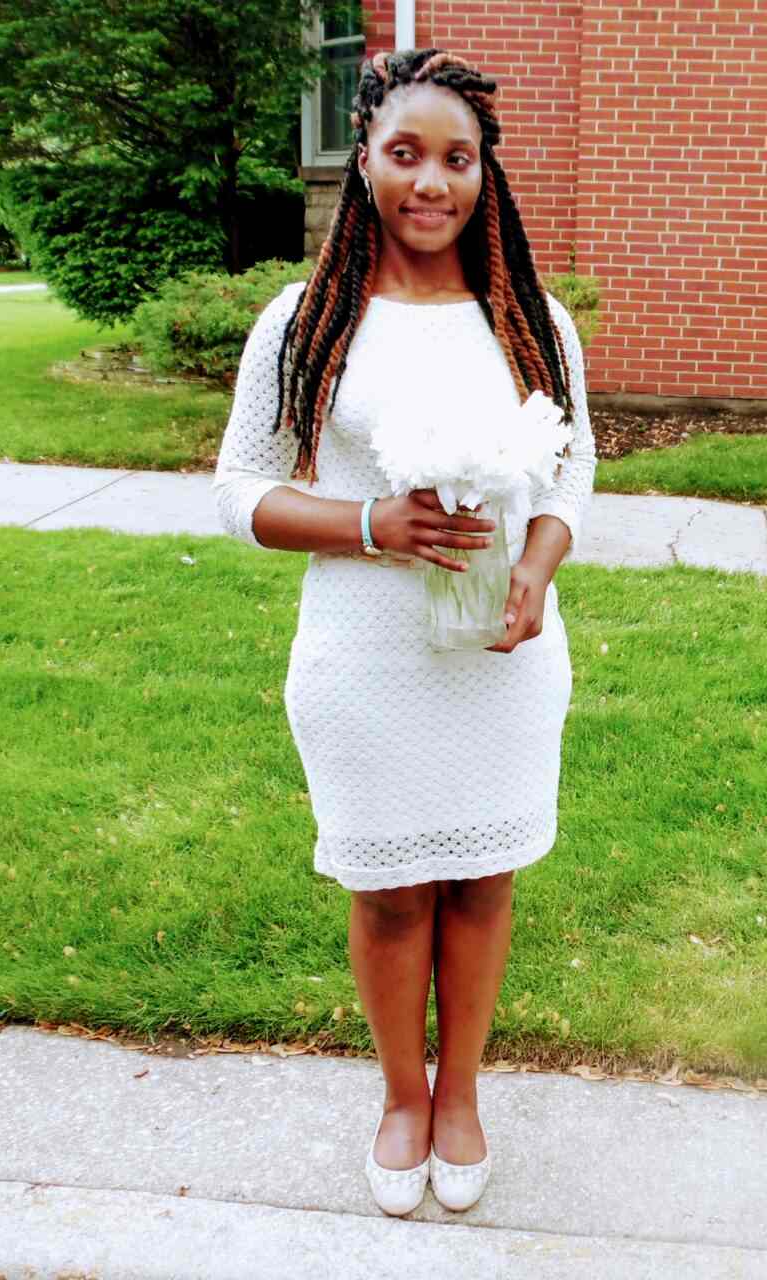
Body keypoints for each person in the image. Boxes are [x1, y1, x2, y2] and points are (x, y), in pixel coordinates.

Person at [210, 48, 595, 1218]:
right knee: (388, 893)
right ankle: (400, 1093)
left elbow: (574, 471)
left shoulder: (531, 318)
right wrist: (372, 520)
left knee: (481, 881)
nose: (433, 183)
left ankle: (462, 1091)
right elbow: (241, 491)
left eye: (459, 159)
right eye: (407, 155)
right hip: (364, 659)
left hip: (501, 661)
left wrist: (535, 564)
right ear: (364, 161)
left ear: (487, 174)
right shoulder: (306, 322)